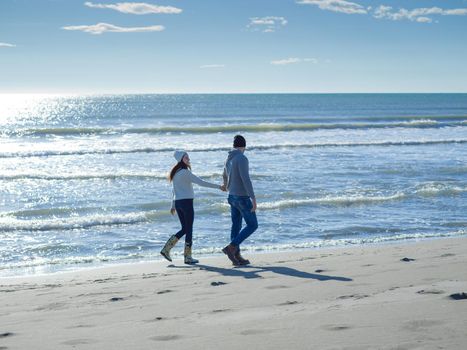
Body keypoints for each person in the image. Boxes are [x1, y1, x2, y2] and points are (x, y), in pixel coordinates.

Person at [160, 150, 224, 264]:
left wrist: (173, 205)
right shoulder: (185, 172)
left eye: (188, 157)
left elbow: (173, 190)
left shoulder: (175, 172)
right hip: (186, 203)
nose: (188, 159)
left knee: (185, 228)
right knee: (188, 229)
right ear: (181, 160)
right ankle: (187, 257)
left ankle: (167, 249)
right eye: (186, 157)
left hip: (179, 203)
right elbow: (201, 182)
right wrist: (219, 187)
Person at [221, 135, 258, 266]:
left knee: (236, 226)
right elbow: (246, 179)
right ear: (244, 146)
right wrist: (253, 198)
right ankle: (231, 247)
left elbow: (224, 174)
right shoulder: (241, 158)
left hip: (232, 196)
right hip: (242, 197)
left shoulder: (228, 158)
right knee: (253, 225)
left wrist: (226, 185)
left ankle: (236, 256)